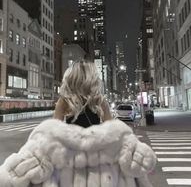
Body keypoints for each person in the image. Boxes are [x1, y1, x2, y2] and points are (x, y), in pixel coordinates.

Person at [0, 60, 156, 187]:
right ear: (93, 80)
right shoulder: (100, 101)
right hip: (100, 162)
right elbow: (113, 133)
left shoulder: (64, 102)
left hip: (68, 162)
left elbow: (52, 134)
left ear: (70, 80)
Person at [53, 60, 112, 126]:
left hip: (73, 136)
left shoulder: (65, 101)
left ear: (71, 78)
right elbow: (110, 129)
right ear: (92, 78)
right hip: (93, 136)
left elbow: (55, 130)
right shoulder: (99, 100)